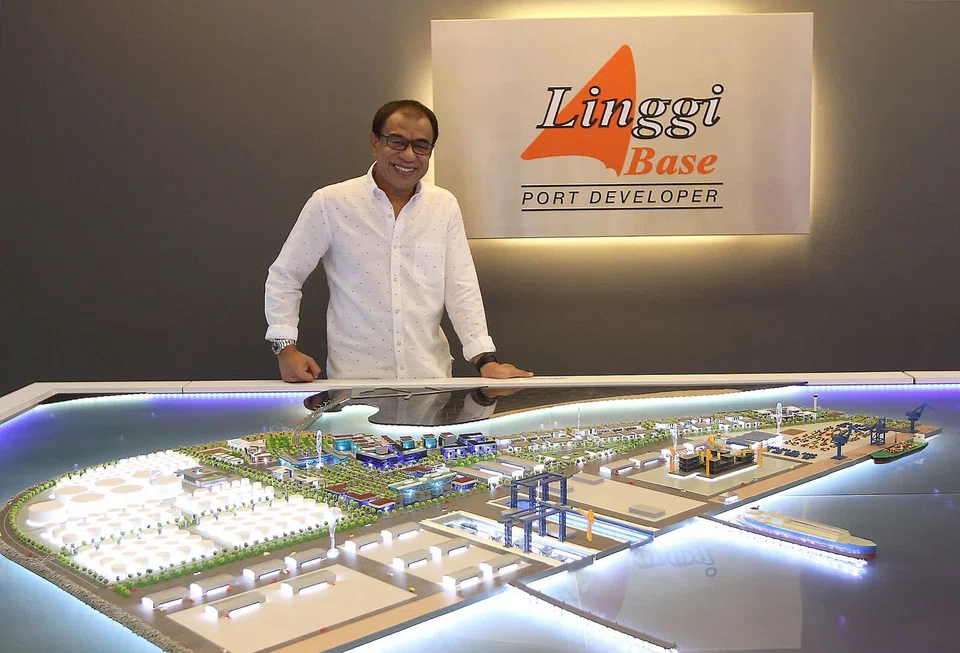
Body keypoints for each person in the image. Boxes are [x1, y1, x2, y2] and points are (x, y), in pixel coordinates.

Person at [264, 99, 533, 383]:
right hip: (356, 384)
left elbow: (461, 287)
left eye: (421, 145)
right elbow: (285, 276)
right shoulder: (331, 203)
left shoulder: (443, 205)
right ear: (375, 143)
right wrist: (285, 348)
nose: (408, 155)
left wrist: (485, 360)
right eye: (397, 141)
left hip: (431, 382)